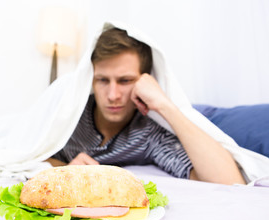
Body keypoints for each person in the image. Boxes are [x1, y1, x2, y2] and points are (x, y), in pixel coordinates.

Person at [46, 27, 246, 185]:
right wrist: (64, 170)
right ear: (91, 80)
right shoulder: (70, 115)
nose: (113, 95)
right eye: (103, 80)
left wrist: (165, 105)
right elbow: (27, 154)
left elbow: (230, 181)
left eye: (125, 81)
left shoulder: (149, 131)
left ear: (145, 80)